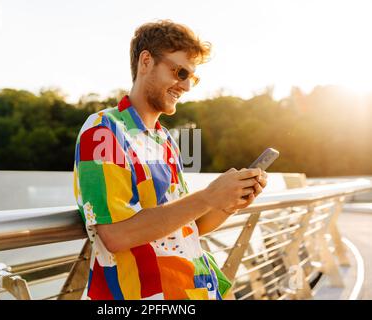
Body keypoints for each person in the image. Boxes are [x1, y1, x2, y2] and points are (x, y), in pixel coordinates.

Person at [73, 20, 267, 300]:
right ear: (146, 61)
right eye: (180, 72)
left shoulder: (164, 140)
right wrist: (209, 195)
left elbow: (188, 227)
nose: (187, 86)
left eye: (193, 78)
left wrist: (228, 203)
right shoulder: (103, 131)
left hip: (189, 291)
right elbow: (115, 235)